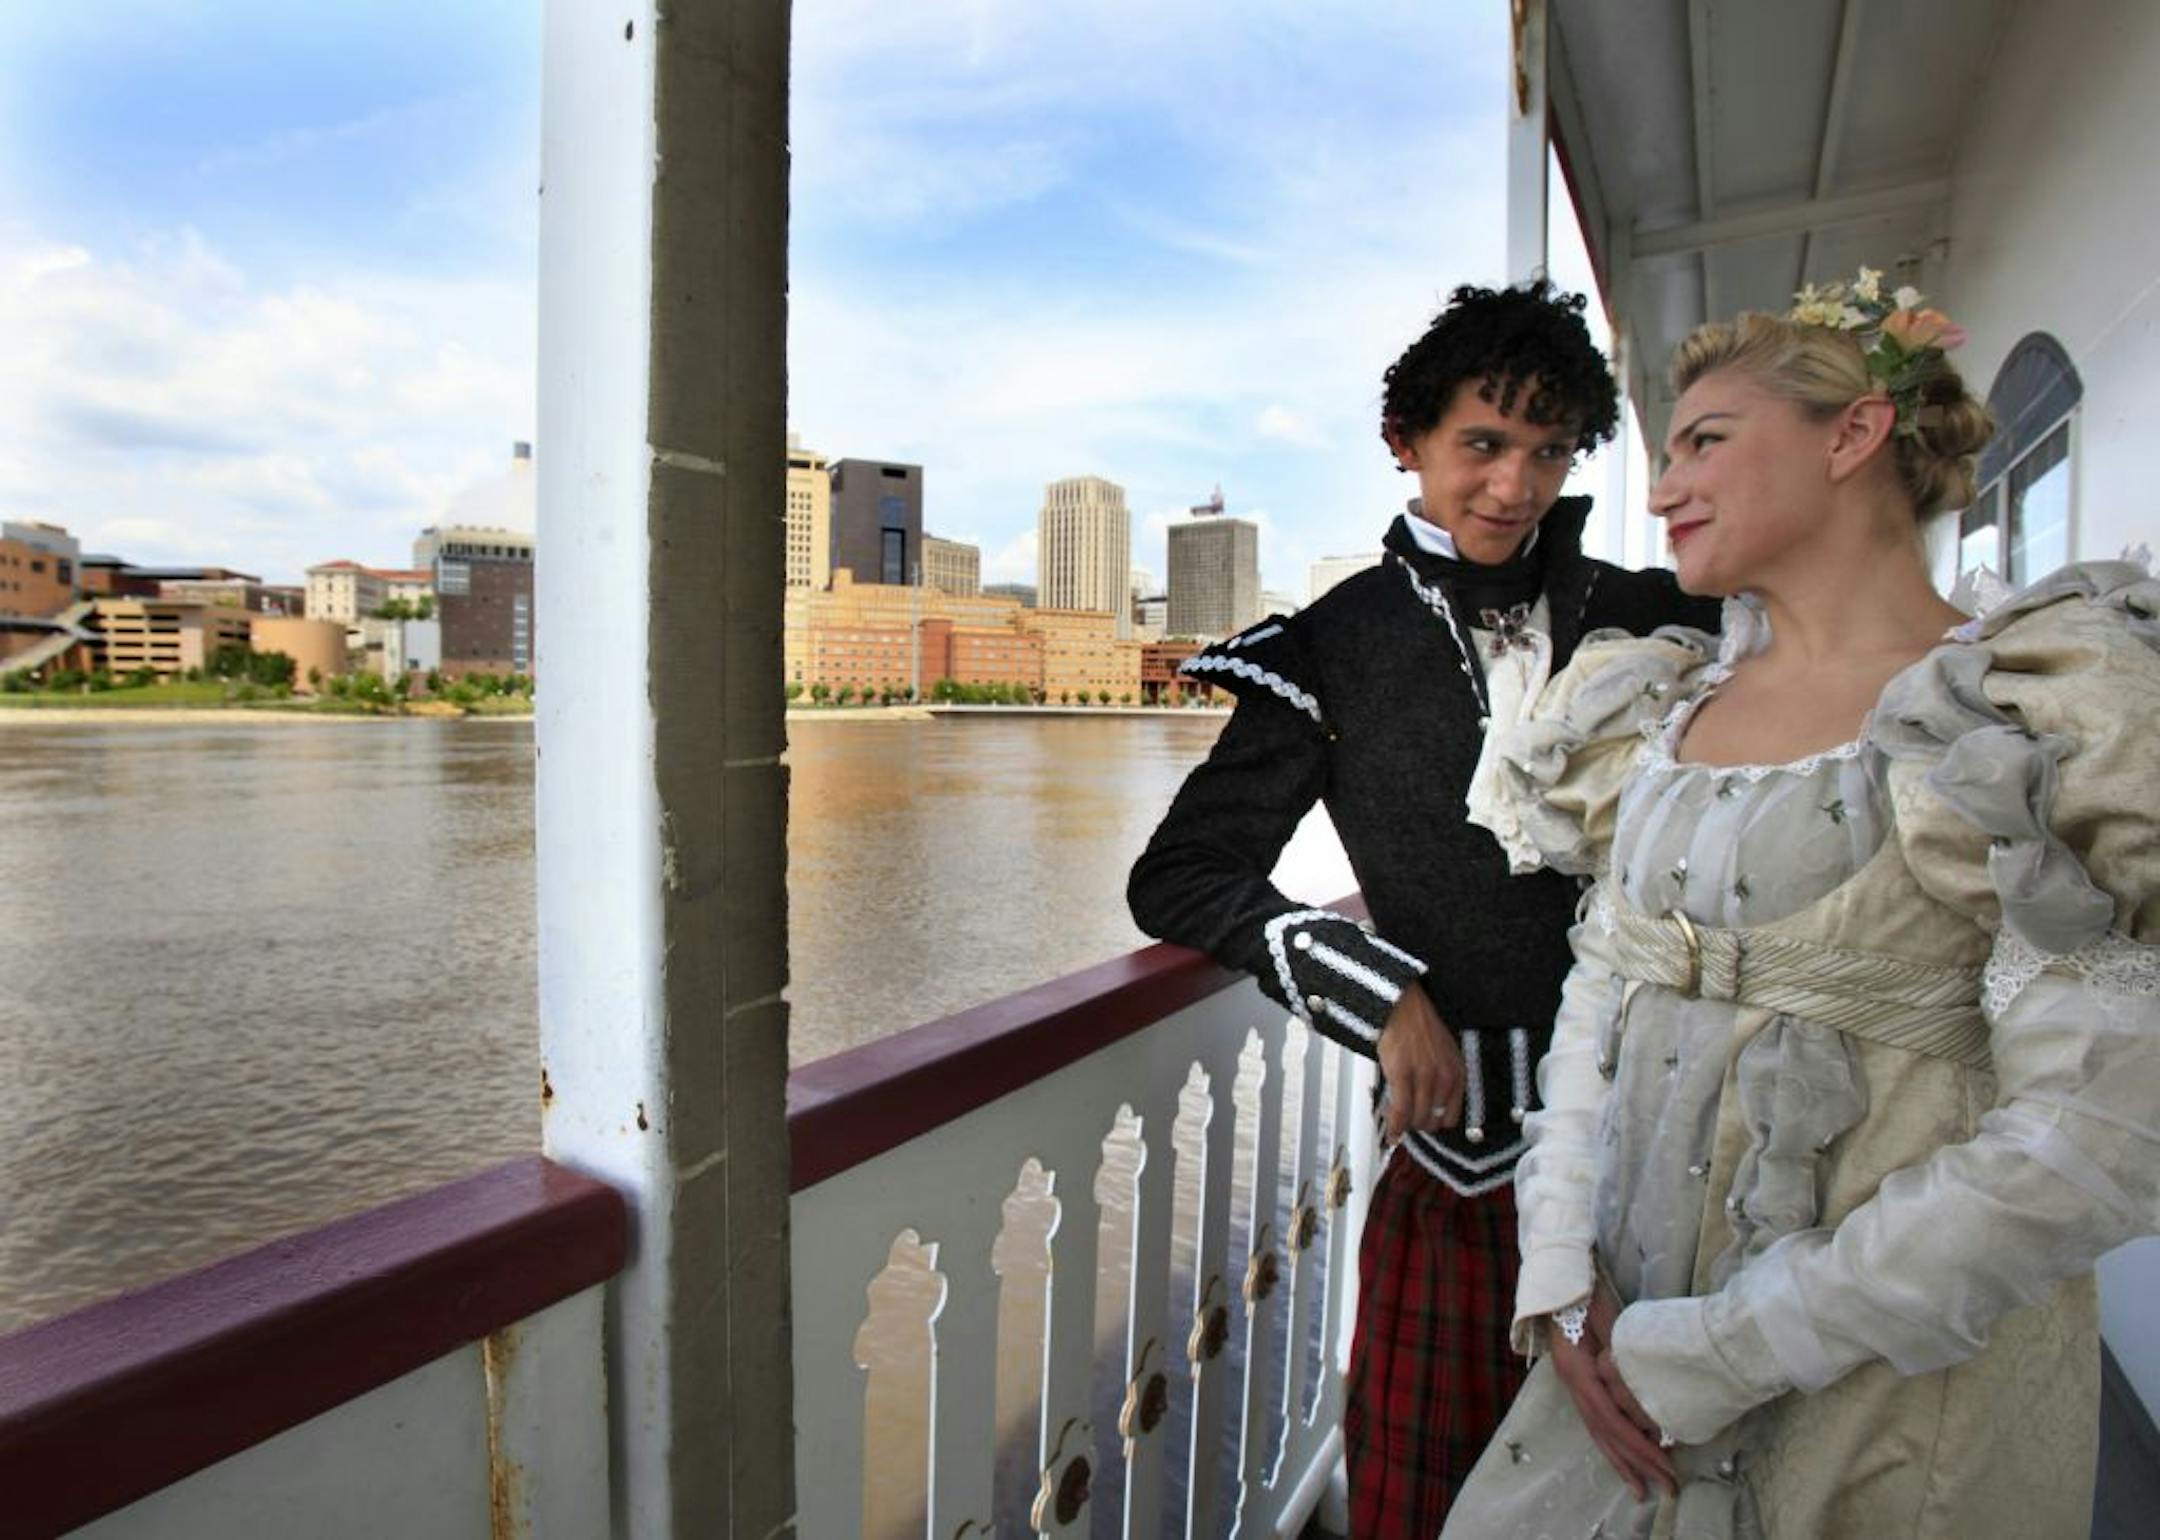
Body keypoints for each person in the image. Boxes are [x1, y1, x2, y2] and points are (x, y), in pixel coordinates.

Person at [1445, 271, 2160, 1538]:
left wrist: (1721, 1351)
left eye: (1705, 443)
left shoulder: (2022, 715)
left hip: (1891, 1407)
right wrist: (1560, 1275)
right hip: (1616, 1356)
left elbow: (2092, 1140)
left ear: (1853, 435)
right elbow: (1599, 1001)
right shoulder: (1662, 710)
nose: (1661, 489)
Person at [1127, 277, 1717, 1537]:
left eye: (1549, 451)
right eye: (1483, 445)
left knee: (1649, 1498)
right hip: (1465, 1163)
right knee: (1424, 1506)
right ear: (1407, 440)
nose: (1515, 485)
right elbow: (1180, 874)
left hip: (1670, 1143)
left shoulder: (1651, 615)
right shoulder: (1333, 644)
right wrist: (1379, 989)